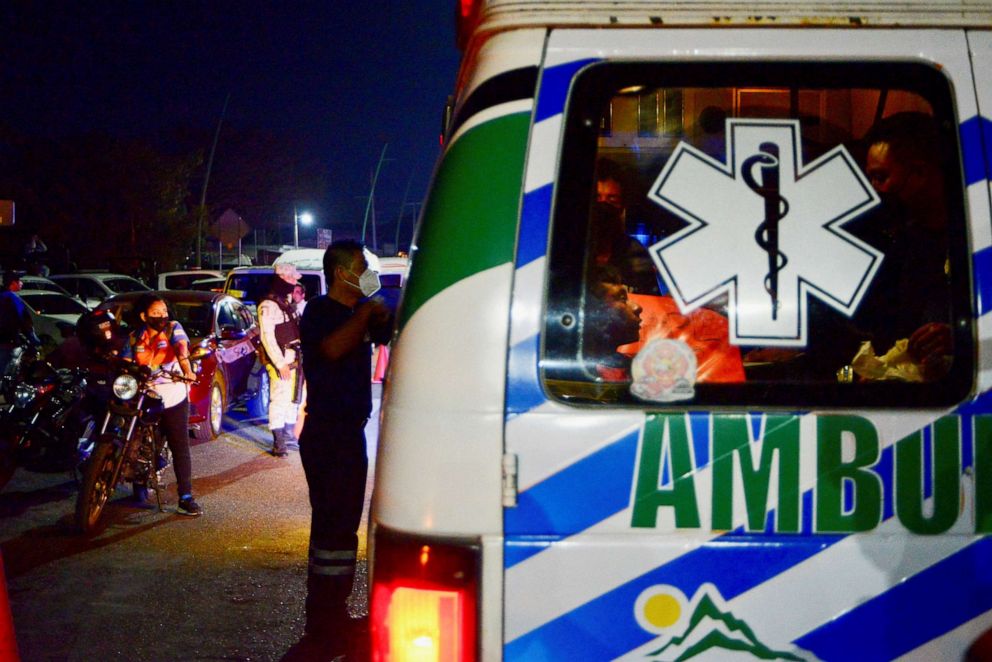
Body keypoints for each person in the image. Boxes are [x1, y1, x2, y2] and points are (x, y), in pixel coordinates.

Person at [295, 240, 392, 655]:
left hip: (349, 432)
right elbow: (332, 349)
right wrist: (367, 312)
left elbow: (388, 332)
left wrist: (380, 310)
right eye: (360, 266)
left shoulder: (359, 313)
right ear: (340, 272)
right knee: (333, 527)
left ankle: (332, 614)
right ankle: (324, 621)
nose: (366, 272)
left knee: (341, 527)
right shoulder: (320, 311)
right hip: (328, 436)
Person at [853, 111, 954, 381]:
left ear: (920, 172)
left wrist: (962, 338)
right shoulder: (901, 243)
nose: (874, 189)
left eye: (881, 177)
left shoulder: (976, 239)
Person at [121, 293, 201, 516]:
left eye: (164, 312)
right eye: (156, 313)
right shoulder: (134, 337)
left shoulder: (173, 328)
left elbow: (182, 350)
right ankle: (139, 481)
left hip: (174, 395)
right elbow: (125, 363)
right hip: (146, 397)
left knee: (180, 446)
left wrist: (188, 371)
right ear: (143, 316)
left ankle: (186, 497)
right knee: (144, 444)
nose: (161, 316)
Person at [593, 159, 662, 295]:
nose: (603, 206)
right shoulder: (571, 250)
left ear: (622, 206)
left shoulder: (635, 252)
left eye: (611, 200)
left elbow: (650, 303)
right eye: (597, 198)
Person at [257, 264, 303, 457]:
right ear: (282, 278)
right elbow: (267, 337)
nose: (295, 283)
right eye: (292, 279)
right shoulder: (268, 306)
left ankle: (288, 435)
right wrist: (280, 363)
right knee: (280, 398)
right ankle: (279, 442)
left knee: (293, 398)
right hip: (282, 359)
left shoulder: (285, 302)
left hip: (294, 357)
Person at [0, 272, 41, 375]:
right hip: (7, 341)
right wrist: (34, 340)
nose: (21, 283)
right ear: (13, 283)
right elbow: (24, 320)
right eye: (19, 281)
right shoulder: (12, 298)